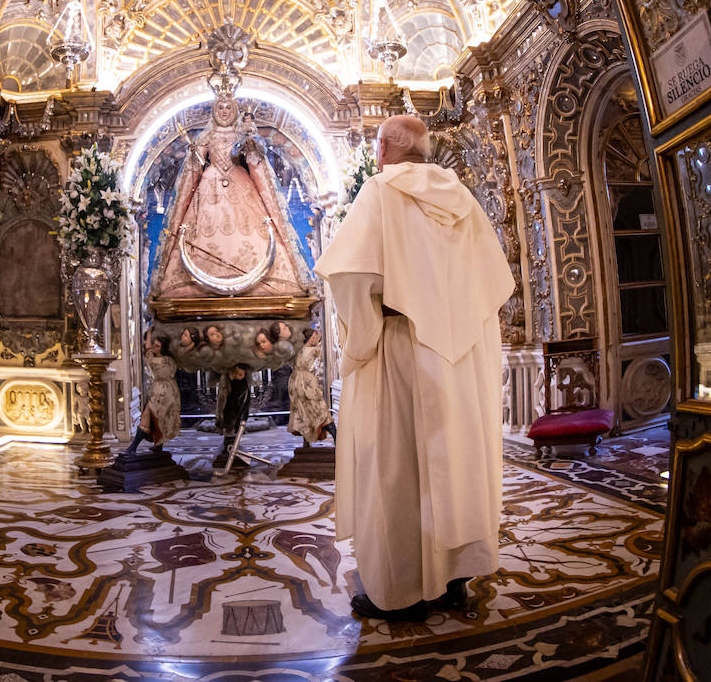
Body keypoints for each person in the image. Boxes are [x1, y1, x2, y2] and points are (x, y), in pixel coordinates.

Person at [315, 115, 514, 622]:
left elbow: (351, 274)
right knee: (454, 466)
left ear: (383, 149)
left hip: (400, 349)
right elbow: (491, 279)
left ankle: (400, 590)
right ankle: (453, 581)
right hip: (458, 355)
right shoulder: (463, 198)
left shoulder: (380, 192)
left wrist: (360, 335)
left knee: (398, 467)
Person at [150, 93, 311, 300]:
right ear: (215, 112)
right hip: (210, 184)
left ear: (234, 111)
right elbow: (196, 164)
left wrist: (250, 140)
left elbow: (253, 159)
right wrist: (194, 155)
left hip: (239, 180)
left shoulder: (241, 132)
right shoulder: (206, 136)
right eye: (220, 108)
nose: (224, 112)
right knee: (206, 225)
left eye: (228, 108)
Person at [126, 333, 182, 455]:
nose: (154, 348)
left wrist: (150, 331)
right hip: (167, 391)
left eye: (157, 346)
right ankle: (156, 446)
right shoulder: (170, 360)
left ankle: (133, 447)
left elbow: (147, 349)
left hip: (163, 393)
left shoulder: (158, 361)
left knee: (150, 416)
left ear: (162, 348)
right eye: (154, 345)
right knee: (156, 419)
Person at [287, 326, 335, 445]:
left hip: (295, 381)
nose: (315, 339)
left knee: (304, 410)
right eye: (314, 337)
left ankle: (307, 441)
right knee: (317, 407)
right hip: (305, 381)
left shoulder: (297, 350)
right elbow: (322, 354)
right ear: (309, 338)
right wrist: (318, 343)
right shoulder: (313, 350)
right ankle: (334, 436)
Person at [214, 363, 252, 464]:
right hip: (229, 411)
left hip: (237, 412)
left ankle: (233, 441)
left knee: (235, 421)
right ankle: (229, 440)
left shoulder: (243, 384)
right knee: (229, 419)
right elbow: (223, 401)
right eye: (237, 374)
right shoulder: (228, 383)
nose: (238, 376)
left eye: (241, 374)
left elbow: (244, 403)